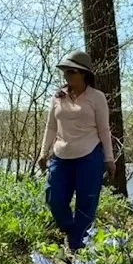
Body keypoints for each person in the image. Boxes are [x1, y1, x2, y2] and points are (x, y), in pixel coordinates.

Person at [37, 50, 116, 251]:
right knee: (54, 198)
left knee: (86, 203)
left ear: (84, 74)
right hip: (61, 156)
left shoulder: (96, 97)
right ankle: (71, 231)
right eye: (65, 71)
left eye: (72, 71)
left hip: (89, 156)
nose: (67, 75)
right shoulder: (57, 97)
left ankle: (76, 248)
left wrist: (109, 158)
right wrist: (43, 152)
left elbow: (104, 129)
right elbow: (51, 127)